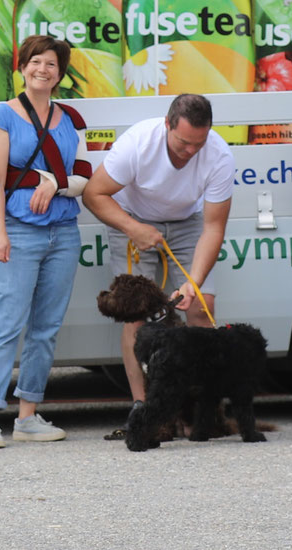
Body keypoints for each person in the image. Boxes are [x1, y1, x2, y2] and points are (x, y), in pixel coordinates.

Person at [81, 94, 233, 435]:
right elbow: (94, 194)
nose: (191, 151)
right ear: (167, 125)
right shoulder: (138, 143)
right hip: (133, 219)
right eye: (183, 142)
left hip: (187, 223)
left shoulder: (220, 154)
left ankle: (204, 411)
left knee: (201, 308)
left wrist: (192, 283)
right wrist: (134, 229)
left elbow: (214, 227)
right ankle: (143, 410)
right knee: (136, 316)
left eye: (199, 142)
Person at [0, 35, 91, 449]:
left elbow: (82, 176)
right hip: (18, 231)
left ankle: (27, 414)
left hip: (63, 231)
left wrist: (56, 182)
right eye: (36, 62)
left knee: (46, 328)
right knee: (6, 324)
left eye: (52, 64)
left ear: (61, 73)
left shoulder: (71, 119)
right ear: (22, 67)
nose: (43, 70)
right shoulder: (1, 117)